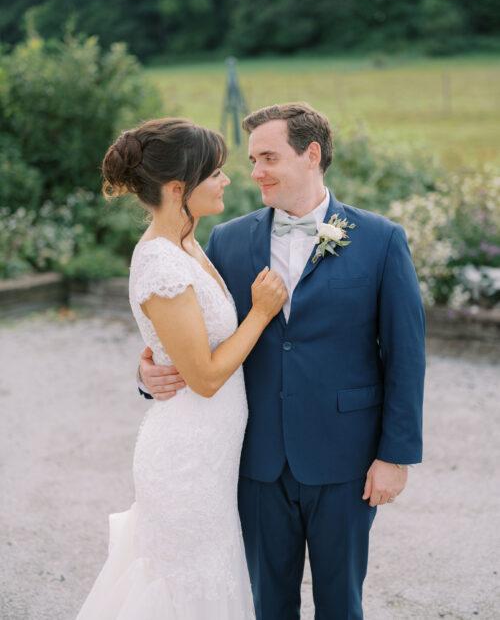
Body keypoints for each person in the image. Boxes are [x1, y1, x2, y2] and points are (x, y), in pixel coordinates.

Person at [139, 103, 426, 620]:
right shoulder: (226, 240)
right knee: (266, 603)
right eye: (251, 159)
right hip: (256, 459)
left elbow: (406, 356)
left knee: (341, 602)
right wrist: (147, 374)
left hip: (346, 460)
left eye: (268, 157)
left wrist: (396, 455)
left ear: (311, 155)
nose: (255, 173)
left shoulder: (381, 240)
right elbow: (188, 328)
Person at [76, 118, 287, 619]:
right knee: (186, 585)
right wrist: (260, 312)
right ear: (178, 189)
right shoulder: (160, 264)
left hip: (209, 456)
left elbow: (179, 346)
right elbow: (206, 377)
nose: (227, 180)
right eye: (215, 172)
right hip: (184, 460)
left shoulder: (188, 244)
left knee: (210, 574)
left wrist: (148, 367)